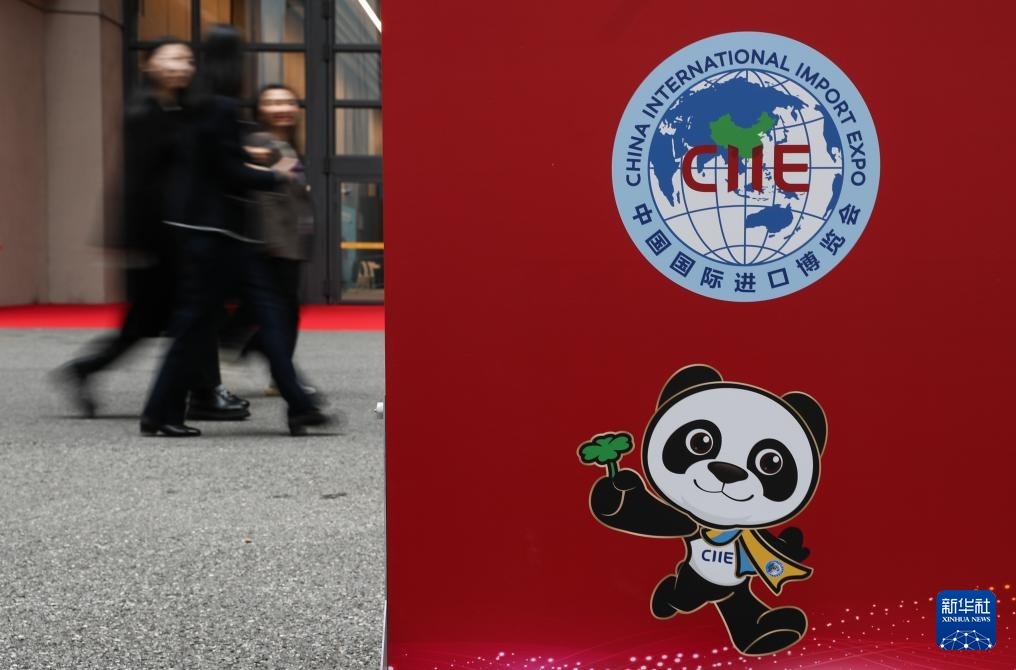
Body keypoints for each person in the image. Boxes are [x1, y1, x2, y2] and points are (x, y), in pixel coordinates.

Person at [140, 25, 331, 437]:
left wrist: (247, 155)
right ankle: (160, 413)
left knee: (252, 316)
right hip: (218, 233)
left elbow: (213, 160)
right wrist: (275, 174)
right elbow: (226, 172)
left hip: (215, 233)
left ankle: (298, 404)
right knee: (204, 324)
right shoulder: (221, 107)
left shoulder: (196, 105)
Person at [53, 37, 249, 422]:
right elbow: (139, 184)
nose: (182, 66)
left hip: (176, 232)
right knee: (191, 313)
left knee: (155, 320)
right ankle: (204, 392)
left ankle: (87, 370)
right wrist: (138, 240)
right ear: (149, 65)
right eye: (172, 59)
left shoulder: (183, 109)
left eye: (187, 60)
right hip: (159, 237)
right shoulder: (144, 113)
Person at [221, 83, 317, 397]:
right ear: (260, 110)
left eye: (287, 102)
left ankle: (263, 361)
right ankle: (256, 358)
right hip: (272, 243)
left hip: (290, 243)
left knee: (283, 310)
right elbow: (261, 198)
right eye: (272, 103)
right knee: (278, 311)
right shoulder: (259, 144)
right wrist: (273, 242)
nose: (281, 108)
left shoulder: (287, 145)